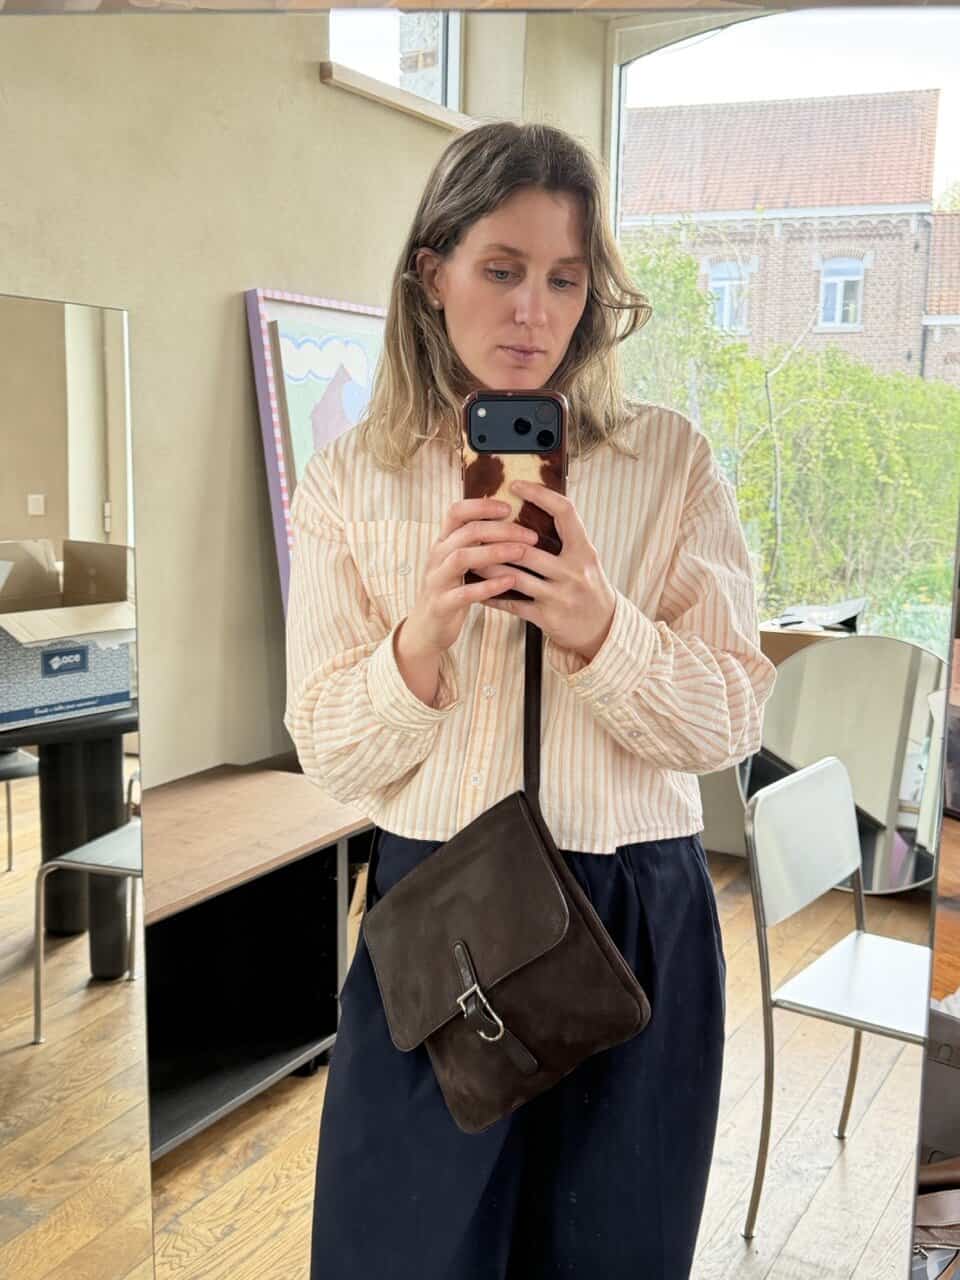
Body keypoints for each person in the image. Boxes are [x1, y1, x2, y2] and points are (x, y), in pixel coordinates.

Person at [283, 120, 778, 1280]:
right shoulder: (352, 478)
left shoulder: (671, 461)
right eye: (501, 269)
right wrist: (424, 633)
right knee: (399, 1253)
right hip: (439, 906)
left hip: (634, 914)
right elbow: (330, 749)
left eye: (565, 278)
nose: (532, 312)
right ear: (432, 273)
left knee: (613, 1252)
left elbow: (731, 718)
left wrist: (600, 626)